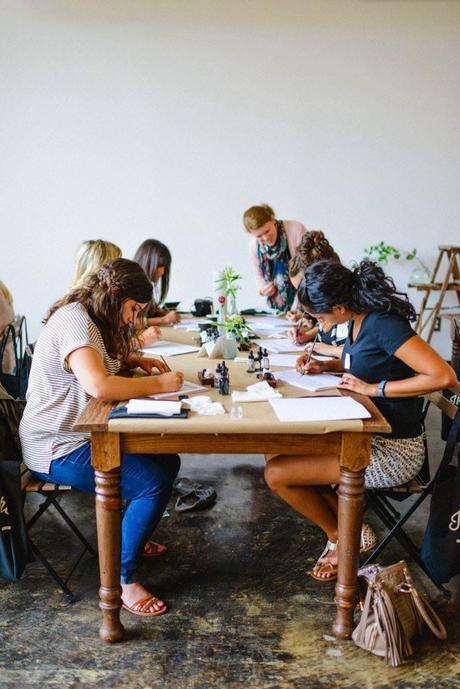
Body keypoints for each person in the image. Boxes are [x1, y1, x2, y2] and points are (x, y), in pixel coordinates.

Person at [264, 260, 457, 582]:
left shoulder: (383, 324)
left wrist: (373, 388)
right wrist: (325, 368)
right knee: (273, 450)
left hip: (394, 452)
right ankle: (349, 527)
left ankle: (342, 536)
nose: (318, 323)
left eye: (320, 316)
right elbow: (364, 359)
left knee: (276, 473)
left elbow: (442, 375)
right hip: (365, 434)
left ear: (338, 306)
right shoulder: (357, 322)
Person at [19, 258, 184, 616]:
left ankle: (130, 537)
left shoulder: (93, 317)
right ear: (115, 296)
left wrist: (137, 359)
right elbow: (98, 385)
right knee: (152, 482)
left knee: (167, 460)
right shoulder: (75, 321)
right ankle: (124, 581)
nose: (133, 319)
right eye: (133, 309)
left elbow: (102, 369)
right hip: (55, 446)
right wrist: (160, 384)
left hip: (78, 434)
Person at [72, 239, 160, 347]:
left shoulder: (99, 310)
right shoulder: (78, 318)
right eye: (114, 264)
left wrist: (132, 360)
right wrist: (139, 341)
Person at [286, 230, 347, 357]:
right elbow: (326, 325)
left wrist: (330, 351)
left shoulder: (348, 307)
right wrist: (307, 335)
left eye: (302, 289)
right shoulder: (327, 306)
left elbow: (361, 354)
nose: (301, 296)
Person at [243, 203, 306, 312]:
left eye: (267, 231)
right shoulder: (254, 246)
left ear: (273, 219)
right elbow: (258, 276)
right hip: (277, 308)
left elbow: (308, 271)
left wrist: (297, 308)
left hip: (304, 302)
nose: (266, 237)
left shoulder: (296, 229)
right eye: (259, 236)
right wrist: (263, 289)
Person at [133, 239, 181, 328]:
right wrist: (163, 320)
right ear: (147, 263)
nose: (162, 272)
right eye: (159, 266)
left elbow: (150, 312)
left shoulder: (145, 288)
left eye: (164, 267)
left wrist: (161, 312)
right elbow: (129, 323)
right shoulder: (129, 286)